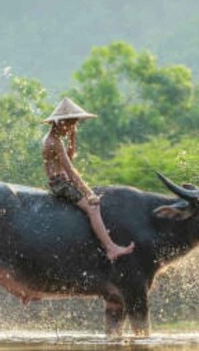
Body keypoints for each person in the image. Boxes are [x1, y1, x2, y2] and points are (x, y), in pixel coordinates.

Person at [42, 97, 135, 261]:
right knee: (93, 208)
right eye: (71, 124)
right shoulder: (54, 142)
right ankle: (111, 247)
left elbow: (69, 160)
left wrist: (72, 138)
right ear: (60, 123)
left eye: (75, 124)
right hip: (61, 185)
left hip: (62, 182)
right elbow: (70, 170)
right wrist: (89, 193)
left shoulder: (54, 140)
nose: (73, 127)